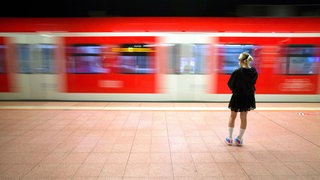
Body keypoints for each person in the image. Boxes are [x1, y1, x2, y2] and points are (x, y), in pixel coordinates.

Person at [225, 52, 258, 146]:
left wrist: (236, 89)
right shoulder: (254, 71)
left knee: (232, 116)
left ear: (241, 61)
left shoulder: (237, 72)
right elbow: (253, 82)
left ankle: (230, 138)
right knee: (244, 117)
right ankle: (239, 138)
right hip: (248, 97)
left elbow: (230, 84)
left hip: (237, 96)